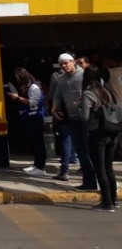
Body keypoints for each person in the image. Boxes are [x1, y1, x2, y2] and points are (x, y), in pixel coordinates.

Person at [52, 53, 97, 190]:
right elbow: (57, 95)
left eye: (66, 63)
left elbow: (95, 91)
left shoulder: (84, 74)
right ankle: (89, 182)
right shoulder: (60, 79)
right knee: (80, 151)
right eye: (61, 64)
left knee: (91, 151)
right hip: (72, 119)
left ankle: (100, 180)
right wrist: (54, 108)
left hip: (87, 118)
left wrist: (82, 102)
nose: (64, 66)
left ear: (73, 62)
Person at [80, 66, 119, 212]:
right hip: (112, 132)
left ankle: (106, 202)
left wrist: (79, 108)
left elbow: (84, 117)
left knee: (100, 168)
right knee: (109, 167)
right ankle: (114, 200)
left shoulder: (88, 93)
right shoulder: (106, 91)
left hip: (97, 134)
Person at [8, 67, 47, 177]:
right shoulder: (28, 87)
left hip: (36, 117)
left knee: (39, 142)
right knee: (35, 142)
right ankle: (36, 164)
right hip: (30, 117)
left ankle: (41, 167)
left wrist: (18, 98)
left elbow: (32, 102)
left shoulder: (33, 87)